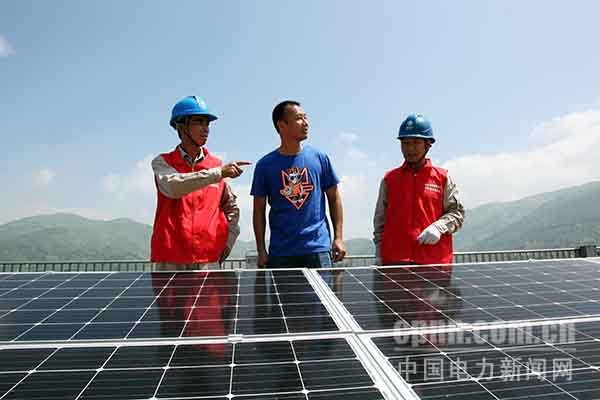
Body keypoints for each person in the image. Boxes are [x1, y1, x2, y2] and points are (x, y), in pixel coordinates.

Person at [150, 95, 250, 270]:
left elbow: (232, 208)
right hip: (171, 260)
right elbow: (173, 187)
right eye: (198, 122)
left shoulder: (216, 164)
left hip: (208, 260)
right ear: (181, 126)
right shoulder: (163, 162)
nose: (206, 129)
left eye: (207, 123)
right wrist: (218, 173)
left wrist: (226, 245)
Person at [251, 100, 346, 269]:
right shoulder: (265, 165)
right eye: (299, 118)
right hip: (281, 253)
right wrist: (261, 250)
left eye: (305, 117)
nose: (306, 123)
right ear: (282, 125)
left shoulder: (320, 158)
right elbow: (259, 210)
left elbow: (334, 198)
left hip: (318, 249)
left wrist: (338, 237)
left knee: (322, 289)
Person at [373, 113, 464, 267]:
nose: (410, 148)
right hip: (395, 262)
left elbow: (457, 213)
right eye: (405, 143)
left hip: (434, 263)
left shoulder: (442, 178)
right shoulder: (389, 179)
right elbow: (380, 221)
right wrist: (378, 251)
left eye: (416, 143)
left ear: (428, 145)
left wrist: (438, 227)